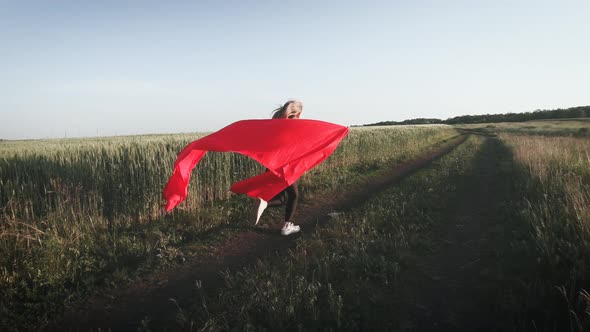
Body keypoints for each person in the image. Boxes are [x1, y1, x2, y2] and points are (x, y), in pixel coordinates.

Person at [256, 100, 302, 235]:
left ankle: (264, 204)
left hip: (273, 164)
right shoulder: (293, 125)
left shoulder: (276, 121)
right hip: (285, 166)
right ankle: (287, 226)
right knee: (294, 195)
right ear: (297, 112)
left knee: (283, 198)